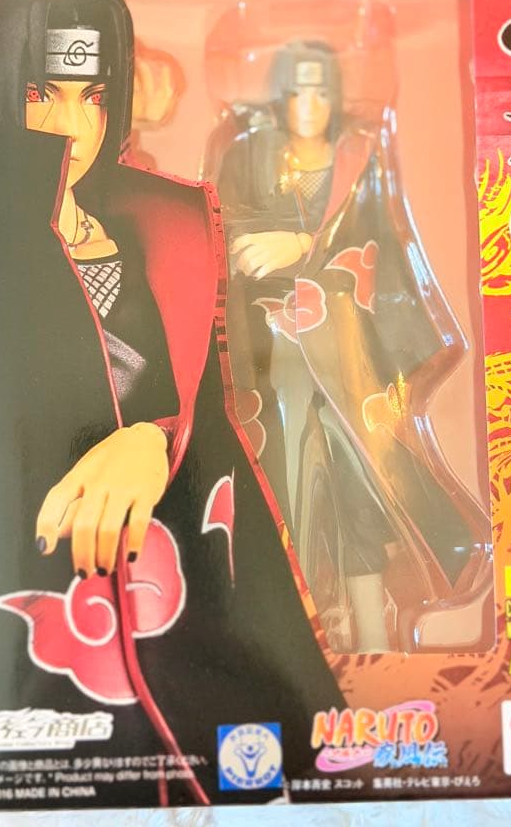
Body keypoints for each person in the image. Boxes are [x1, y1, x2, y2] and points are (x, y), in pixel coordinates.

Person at [0, 0, 345, 809]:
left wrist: (158, 437)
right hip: (37, 604)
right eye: (40, 95)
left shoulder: (162, 226)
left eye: (92, 96)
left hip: (183, 584)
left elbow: (212, 424)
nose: (73, 125)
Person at [208, 40, 490, 654]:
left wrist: (305, 246)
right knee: (282, 490)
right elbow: (221, 229)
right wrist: (272, 247)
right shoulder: (248, 155)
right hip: (273, 354)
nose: (309, 104)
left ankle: (375, 638)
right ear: (280, 98)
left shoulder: (358, 158)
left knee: (362, 488)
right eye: (297, 91)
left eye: (321, 91)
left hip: (346, 350)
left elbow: (380, 241)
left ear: (335, 97)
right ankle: (293, 632)